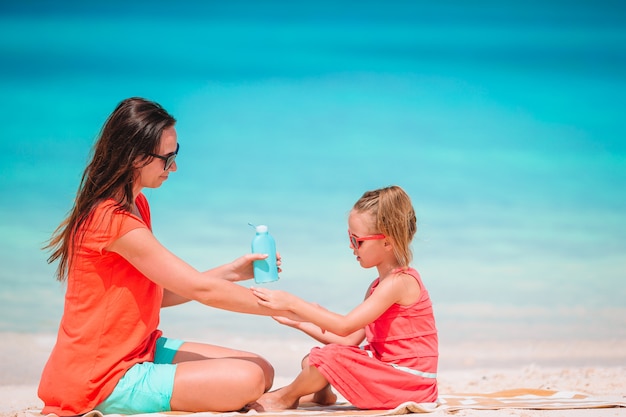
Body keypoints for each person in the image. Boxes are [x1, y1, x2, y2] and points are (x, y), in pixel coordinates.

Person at [38, 97, 288, 416]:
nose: (174, 167)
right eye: (167, 158)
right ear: (135, 158)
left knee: (262, 369)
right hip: (100, 377)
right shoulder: (112, 221)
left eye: (176, 155)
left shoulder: (137, 205)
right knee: (248, 379)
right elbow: (201, 290)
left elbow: (156, 294)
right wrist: (291, 309)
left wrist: (231, 271)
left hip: (138, 348)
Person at [251, 185, 438, 410]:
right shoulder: (378, 286)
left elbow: (344, 327)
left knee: (328, 359)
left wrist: (293, 303)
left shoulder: (399, 283)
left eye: (357, 240)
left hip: (410, 385)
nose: (351, 246)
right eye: (350, 237)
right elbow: (349, 340)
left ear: (387, 242)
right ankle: (321, 396)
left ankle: (284, 398)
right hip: (397, 379)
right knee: (312, 361)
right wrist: (299, 322)